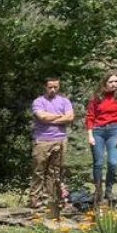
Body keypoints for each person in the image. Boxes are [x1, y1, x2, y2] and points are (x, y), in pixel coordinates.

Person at [85, 72, 117, 205]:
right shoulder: (96, 98)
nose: (113, 84)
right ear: (105, 83)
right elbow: (90, 116)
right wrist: (90, 135)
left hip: (115, 130)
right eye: (111, 82)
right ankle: (98, 189)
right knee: (98, 163)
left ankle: (109, 189)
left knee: (112, 162)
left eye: (116, 82)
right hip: (98, 130)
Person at [29, 77, 75, 210]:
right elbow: (42, 117)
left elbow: (70, 117)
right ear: (45, 87)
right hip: (42, 140)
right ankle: (34, 199)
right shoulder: (39, 101)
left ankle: (51, 199)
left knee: (54, 172)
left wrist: (50, 118)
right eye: (50, 87)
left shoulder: (65, 101)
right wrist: (61, 117)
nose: (53, 90)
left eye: (56, 87)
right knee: (39, 170)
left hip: (60, 140)